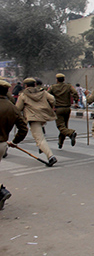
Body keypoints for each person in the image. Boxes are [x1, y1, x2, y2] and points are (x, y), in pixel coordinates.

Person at [16, 78, 57, 167]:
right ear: (35, 85)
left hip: (33, 118)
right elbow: (52, 99)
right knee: (39, 134)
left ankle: (50, 156)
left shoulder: (23, 95)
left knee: (40, 138)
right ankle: (41, 147)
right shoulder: (43, 92)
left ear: (25, 86)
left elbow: (18, 108)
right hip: (43, 116)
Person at [0, 80, 28, 210]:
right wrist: (15, 142)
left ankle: (1, 192)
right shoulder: (12, 108)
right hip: (2, 144)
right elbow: (23, 128)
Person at [48, 73, 78, 149]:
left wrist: (51, 105)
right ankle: (61, 142)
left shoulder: (53, 87)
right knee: (64, 126)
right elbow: (75, 93)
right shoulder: (68, 86)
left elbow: (47, 95)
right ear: (64, 79)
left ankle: (71, 133)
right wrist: (76, 101)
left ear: (57, 79)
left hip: (58, 109)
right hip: (67, 109)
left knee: (60, 126)